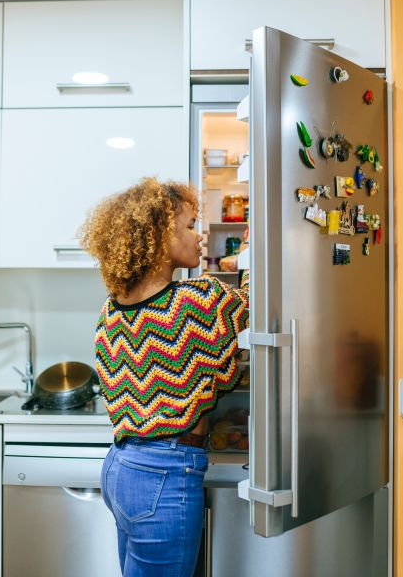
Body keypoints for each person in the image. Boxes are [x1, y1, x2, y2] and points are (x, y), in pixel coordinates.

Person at [79, 177, 249, 577]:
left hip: (121, 467)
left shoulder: (111, 310)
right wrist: (249, 251)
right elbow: (255, 303)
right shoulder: (194, 302)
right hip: (165, 474)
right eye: (190, 226)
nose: (200, 237)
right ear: (158, 237)